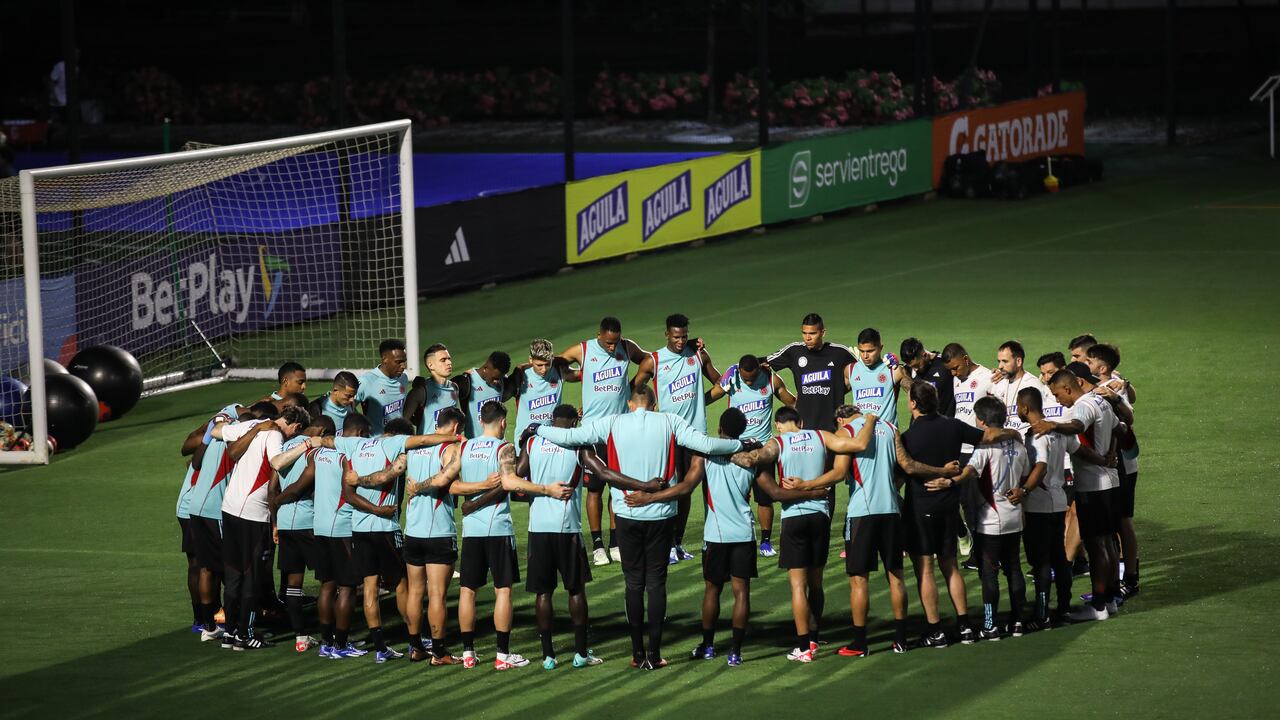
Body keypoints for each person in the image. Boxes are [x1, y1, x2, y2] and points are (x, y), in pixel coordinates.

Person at [532, 384, 748, 670]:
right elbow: (707, 445)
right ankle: (655, 654)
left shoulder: (613, 422)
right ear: (654, 405)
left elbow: (571, 437)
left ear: (631, 404)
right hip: (661, 514)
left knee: (634, 583)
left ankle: (637, 654)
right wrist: (741, 444)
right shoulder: (670, 421)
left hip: (626, 512)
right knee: (656, 583)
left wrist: (537, 429)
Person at [626, 408, 828, 667]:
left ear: (720, 428)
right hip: (744, 533)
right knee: (741, 593)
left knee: (712, 590)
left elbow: (686, 487)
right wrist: (811, 494)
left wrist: (649, 497)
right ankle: (736, 651)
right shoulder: (752, 459)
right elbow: (776, 494)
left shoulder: (706, 454)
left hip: (715, 535)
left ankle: (708, 646)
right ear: (742, 430)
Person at [783, 407, 959, 657]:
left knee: (859, 580)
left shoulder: (846, 431)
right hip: (890, 511)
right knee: (896, 576)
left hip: (862, 513)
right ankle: (900, 640)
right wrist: (943, 471)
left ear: (841, 419)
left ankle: (860, 643)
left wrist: (807, 484)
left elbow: (840, 472)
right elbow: (907, 467)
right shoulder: (890, 428)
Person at [511, 404, 658, 670]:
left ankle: (548, 656)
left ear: (552, 421)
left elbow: (518, 473)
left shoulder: (533, 443)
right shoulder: (577, 445)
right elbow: (602, 473)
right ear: (575, 422)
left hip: (538, 529)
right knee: (576, 589)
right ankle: (580, 653)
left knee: (543, 593)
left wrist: (522, 447)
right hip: (567, 529)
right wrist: (642, 485)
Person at [727, 405, 878, 662]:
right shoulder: (821, 436)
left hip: (794, 518)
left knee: (798, 585)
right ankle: (815, 638)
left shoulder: (777, 442)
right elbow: (854, 446)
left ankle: (803, 646)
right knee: (816, 584)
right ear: (801, 421)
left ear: (778, 425)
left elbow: (752, 460)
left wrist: (729, 454)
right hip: (820, 516)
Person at [900, 383, 1018, 648]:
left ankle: (935, 631)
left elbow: (905, 470)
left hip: (920, 508)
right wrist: (1014, 434)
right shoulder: (953, 425)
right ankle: (965, 626)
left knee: (925, 569)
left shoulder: (908, 437)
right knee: (950, 565)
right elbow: (988, 436)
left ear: (914, 404)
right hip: (949, 506)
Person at [338, 417, 458, 663]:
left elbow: (373, 479)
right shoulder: (398, 446)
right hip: (387, 527)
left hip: (359, 528)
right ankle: (426, 642)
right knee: (406, 586)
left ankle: (385, 647)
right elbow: (390, 474)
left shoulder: (358, 446)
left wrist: (358, 480)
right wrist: (455, 438)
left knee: (370, 587)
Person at [211, 405, 317, 650]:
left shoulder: (251, 425)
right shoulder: (275, 435)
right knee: (251, 576)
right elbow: (278, 462)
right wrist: (307, 445)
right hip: (253, 514)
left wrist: (254, 428)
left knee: (233, 572)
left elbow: (216, 431)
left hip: (229, 508)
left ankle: (230, 634)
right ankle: (245, 636)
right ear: (295, 427)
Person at [926, 397, 1030, 640]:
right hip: (1015, 516)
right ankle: (1017, 622)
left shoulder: (984, 448)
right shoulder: (1019, 445)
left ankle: (990, 625)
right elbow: (1025, 475)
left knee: (989, 572)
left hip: (991, 520)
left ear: (981, 421)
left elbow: (971, 471)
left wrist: (951, 479)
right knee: (1014, 568)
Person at [302, 415, 404, 659]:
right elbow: (350, 495)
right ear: (359, 433)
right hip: (343, 526)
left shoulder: (320, 453)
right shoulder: (349, 455)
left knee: (327, 586)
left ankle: (327, 643)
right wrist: (379, 510)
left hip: (321, 525)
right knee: (347, 588)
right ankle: (340, 644)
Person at [446, 401, 538, 670]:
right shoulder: (504, 448)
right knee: (503, 591)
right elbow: (508, 483)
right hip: (497, 528)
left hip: (471, 530)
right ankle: (502, 656)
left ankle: (467, 654)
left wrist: (473, 498)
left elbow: (452, 486)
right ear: (502, 422)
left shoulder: (463, 447)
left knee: (467, 590)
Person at [555, 317, 650, 566]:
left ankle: (615, 542)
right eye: (608, 342)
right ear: (599, 335)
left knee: (618, 487)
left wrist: (636, 384)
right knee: (595, 488)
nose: (612, 347)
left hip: (620, 430)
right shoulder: (583, 349)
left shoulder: (626, 347)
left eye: (615, 342)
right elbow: (558, 364)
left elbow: (650, 360)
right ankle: (597, 546)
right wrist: (576, 376)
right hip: (593, 432)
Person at [1031, 369, 1122, 622]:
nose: (1058, 401)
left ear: (1068, 388)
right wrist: (1111, 453)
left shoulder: (1082, 407)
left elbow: (1077, 426)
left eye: (1057, 394)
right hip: (1109, 482)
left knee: (1096, 546)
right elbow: (1120, 428)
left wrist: (1054, 425)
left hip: (1092, 485)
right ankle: (1111, 599)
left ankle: (1099, 605)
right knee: (1106, 543)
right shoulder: (1100, 401)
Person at [632, 313, 722, 564]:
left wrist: (703, 400)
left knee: (687, 491)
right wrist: (644, 413)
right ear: (666, 335)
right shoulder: (654, 360)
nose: (681, 341)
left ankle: (678, 543)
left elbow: (719, 381)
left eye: (684, 337)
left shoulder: (698, 354)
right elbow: (635, 388)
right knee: (670, 488)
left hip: (696, 435)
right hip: (668, 435)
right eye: (676, 337)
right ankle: (666, 544)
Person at [706, 354, 796, 557]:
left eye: (752, 378)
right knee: (737, 495)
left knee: (765, 498)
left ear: (759, 369)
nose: (748, 381)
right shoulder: (732, 378)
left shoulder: (771, 379)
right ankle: (738, 535)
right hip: (737, 447)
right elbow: (712, 395)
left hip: (764, 449)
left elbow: (791, 402)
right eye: (745, 378)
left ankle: (765, 541)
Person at [1016, 387, 1089, 627]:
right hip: (1059, 502)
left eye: (1018, 405)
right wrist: (1105, 461)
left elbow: (1041, 466)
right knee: (1059, 558)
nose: (1016, 409)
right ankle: (1064, 609)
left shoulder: (1037, 435)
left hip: (1038, 505)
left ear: (1025, 408)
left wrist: (1024, 490)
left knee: (1041, 562)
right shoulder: (1057, 430)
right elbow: (1080, 452)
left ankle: (1042, 613)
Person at [399, 406, 466, 664]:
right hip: (438, 530)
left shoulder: (415, 447)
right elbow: (442, 480)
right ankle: (439, 652)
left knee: (415, 592)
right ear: (456, 428)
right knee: (437, 594)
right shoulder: (450, 448)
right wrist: (420, 486)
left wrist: (413, 487)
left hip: (413, 531)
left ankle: (415, 647)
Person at [268, 415, 333, 652]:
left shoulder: (285, 447)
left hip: (286, 523)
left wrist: (275, 521)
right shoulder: (314, 452)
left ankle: (301, 637)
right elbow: (302, 488)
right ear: (323, 431)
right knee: (329, 580)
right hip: (309, 523)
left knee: (293, 584)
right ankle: (331, 638)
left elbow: (271, 487)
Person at [185, 401, 248, 642]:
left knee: (206, 568)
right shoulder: (236, 447)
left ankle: (208, 626)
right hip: (215, 511)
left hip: (196, 509)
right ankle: (234, 628)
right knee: (232, 568)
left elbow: (195, 463)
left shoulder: (212, 439)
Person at [1085, 343, 1141, 598]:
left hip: (1122, 465)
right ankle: (1118, 579)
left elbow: (1126, 421)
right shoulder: (1111, 382)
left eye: (1088, 360)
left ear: (1103, 366)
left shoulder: (1115, 387)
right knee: (1112, 524)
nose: (1085, 364)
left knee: (1122, 523)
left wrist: (1119, 393)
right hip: (1114, 463)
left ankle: (1129, 577)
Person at [761, 313, 856, 433]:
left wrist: (838, 389)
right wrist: (736, 368)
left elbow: (865, 372)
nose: (807, 338)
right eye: (804, 333)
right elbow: (762, 362)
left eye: (812, 333)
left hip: (832, 427)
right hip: (804, 426)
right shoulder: (794, 351)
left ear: (823, 332)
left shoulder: (840, 352)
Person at [510, 339, 580, 441]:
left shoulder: (560, 372)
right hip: (525, 441)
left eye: (547, 364)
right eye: (539, 365)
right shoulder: (521, 376)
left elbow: (585, 373)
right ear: (530, 360)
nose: (544, 369)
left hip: (550, 441)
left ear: (552, 359)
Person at [847, 328, 910, 425]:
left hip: (886, 435)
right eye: (862, 351)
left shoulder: (892, 369)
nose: (865, 356)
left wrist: (902, 369)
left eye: (870, 351)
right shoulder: (851, 370)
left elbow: (916, 391)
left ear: (881, 348)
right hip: (861, 435)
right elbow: (833, 394)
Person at [989, 341, 1053, 436]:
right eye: (999, 361)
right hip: (1005, 442)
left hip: (1026, 442)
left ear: (1018, 361)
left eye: (1005, 361)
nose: (1000, 366)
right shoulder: (999, 383)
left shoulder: (1033, 385)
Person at [453, 351, 515, 439]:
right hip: (475, 447)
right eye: (495, 378)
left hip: (498, 445)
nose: (497, 382)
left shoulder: (502, 380)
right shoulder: (468, 382)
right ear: (486, 367)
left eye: (500, 378)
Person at [355, 339, 411, 435]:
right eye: (398, 362)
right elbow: (348, 407)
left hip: (400, 440)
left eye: (404, 361)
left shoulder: (403, 378)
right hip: (377, 443)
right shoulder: (367, 381)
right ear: (385, 359)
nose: (403, 366)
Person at [404, 343, 461, 434]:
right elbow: (404, 420)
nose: (449, 363)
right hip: (428, 447)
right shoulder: (421, 391)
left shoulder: (454, 388)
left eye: (449, 359)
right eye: (443, 360)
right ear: (431, 365)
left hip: (449, 446)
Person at [900, 338, 956, 418]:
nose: (915, 370)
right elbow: (899, 371)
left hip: (943, 425)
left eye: (917, 366)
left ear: (925, 355)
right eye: (912, 367)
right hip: (919, 425)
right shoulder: (908, 369)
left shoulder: (945, 365)